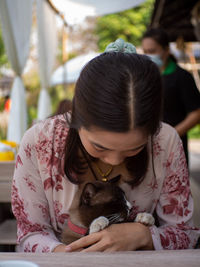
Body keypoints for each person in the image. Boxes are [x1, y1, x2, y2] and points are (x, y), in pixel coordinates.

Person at [11, 39, 200, 253]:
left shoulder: (165, 140)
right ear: (76, 119)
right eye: (99, 147)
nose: (115, 160)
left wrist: (144, 236)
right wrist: (67, 256)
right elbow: (30, 233)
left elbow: (186, 233)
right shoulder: (40, 141)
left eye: (133, 148)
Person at [142, 28, 200, 164]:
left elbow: (196, 113)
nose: (148, 56)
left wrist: (169, 136)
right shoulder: (143, 77)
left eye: (152, 51)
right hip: (145, 147)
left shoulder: (181, 77)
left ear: (166, 50)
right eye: (145, 52)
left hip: (173, 147)